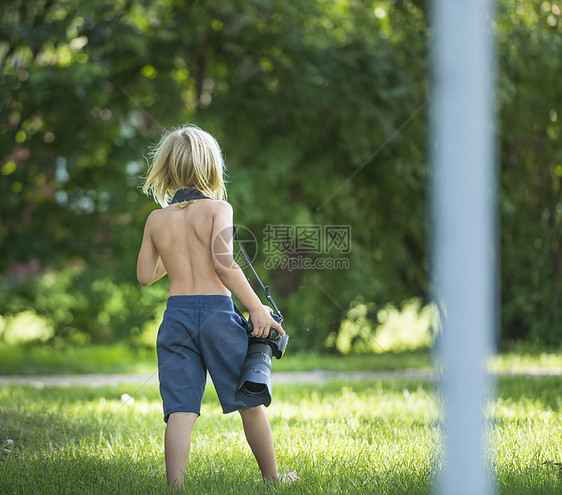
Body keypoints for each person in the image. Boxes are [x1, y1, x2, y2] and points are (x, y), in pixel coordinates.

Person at [136, 124, 299, 490]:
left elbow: (146, 275)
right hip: (216, 313)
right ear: (211, 168)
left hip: (176, 316)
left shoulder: (156, 219)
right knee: (249, 400)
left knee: (180, 408)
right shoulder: (217, 208)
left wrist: (174, 250)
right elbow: (224, 263)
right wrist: (257, 308)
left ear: (165, 169)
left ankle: (174, 487)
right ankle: (273, 478)